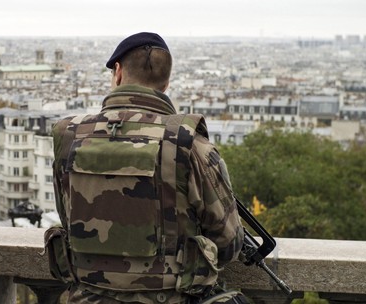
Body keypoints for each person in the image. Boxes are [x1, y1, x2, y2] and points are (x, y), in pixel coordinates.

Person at [48, 32, 244, 303]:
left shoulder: (69, 137)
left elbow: (65, 215)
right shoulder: (190, 145)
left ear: (117, 73)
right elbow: (229, 242)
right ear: (166, 85)